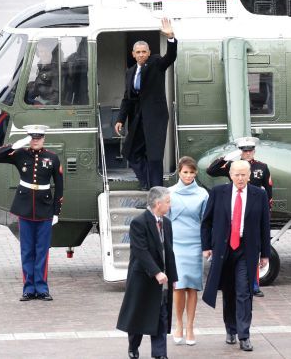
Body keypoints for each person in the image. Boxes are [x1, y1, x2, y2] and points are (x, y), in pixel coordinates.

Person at [201, 160, 271, 352]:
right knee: (229, 291)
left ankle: (244, 335)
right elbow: (206, 222)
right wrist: (206, 246)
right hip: (224, 249)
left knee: (244, 291)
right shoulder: (218, 193)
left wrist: (265, 253)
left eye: (243, 175)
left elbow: (265, 225)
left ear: (249, 175)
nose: (240, 178)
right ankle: (230, 329)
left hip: (246, 249)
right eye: (236, 175)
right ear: (230, 175)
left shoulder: (259, 195)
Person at [0, 125, 64, 301]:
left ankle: (42, 288)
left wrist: (56, 212)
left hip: (45, 210)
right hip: (25, 209)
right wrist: (16, 145)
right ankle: (28, 289)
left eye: (38, 138)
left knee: (42, 251)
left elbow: (60, 187)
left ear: (44, 139)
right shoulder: (20, 154)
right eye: (32, 137)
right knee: (27, 251)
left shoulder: (52, 158)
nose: (36, 140)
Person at [206, 136, 273, 297]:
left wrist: (266, 212)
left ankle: (254, 285)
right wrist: (226, 157)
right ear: (240, 152)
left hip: (253, 211)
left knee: (253, 250)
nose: (247, 153)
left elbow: (268, 190)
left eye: (250, 150)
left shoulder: (261, 167)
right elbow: (211, 171)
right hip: (235, 209)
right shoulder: (231, 165)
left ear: (254, 151)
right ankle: (230, 283)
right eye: (244, 151)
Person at [114, 18, 177, 189]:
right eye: (138, 52)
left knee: (154, 156)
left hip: (155, 117)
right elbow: (127, 97)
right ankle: (147, 183)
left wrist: (170, 37)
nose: (141, 54)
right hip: (138, 117)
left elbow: (170, 57)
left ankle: (156, 191)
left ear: (149, 53)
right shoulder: (130, 72)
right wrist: (120, 119)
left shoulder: (156, 63)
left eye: (144, 51)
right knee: (131, 152)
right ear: (133, 54)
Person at [117, 187, 178, 359]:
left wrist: (173, 276)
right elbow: (140, 251)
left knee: (161, 314)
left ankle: (160, 354)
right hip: (142, 278)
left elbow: (169, 251)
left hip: (162, 279)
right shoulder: (139, 222)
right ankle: (133, 346)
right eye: (168, 202)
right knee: (139, 314)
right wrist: (156, 272)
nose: (170, 204)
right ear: (158, 204)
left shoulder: (166, 223)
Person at [168, 156, 208, 346]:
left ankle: (190, 326)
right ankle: (178, 324)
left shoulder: (203, 194)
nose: (188, 175)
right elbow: (164, 221)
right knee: (178, 285)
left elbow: (206, 222)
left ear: (196, 173)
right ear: (179, 171)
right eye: (185, 172)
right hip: (175, 244)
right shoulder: (168, 193)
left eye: (192, 172)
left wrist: (208, 247)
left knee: (192, 286)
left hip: (195, 243)